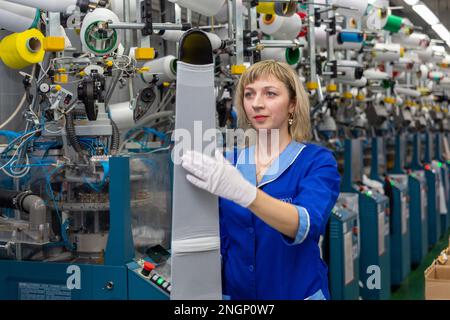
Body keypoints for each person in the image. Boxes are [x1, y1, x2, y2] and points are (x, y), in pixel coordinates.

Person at [181, 60, 340, 300]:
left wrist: (247, 194)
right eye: (249, 94)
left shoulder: (316, 162)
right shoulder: (228, 163)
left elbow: (305, 224)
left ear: (292, 105)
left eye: (270, 94)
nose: (257, 103)